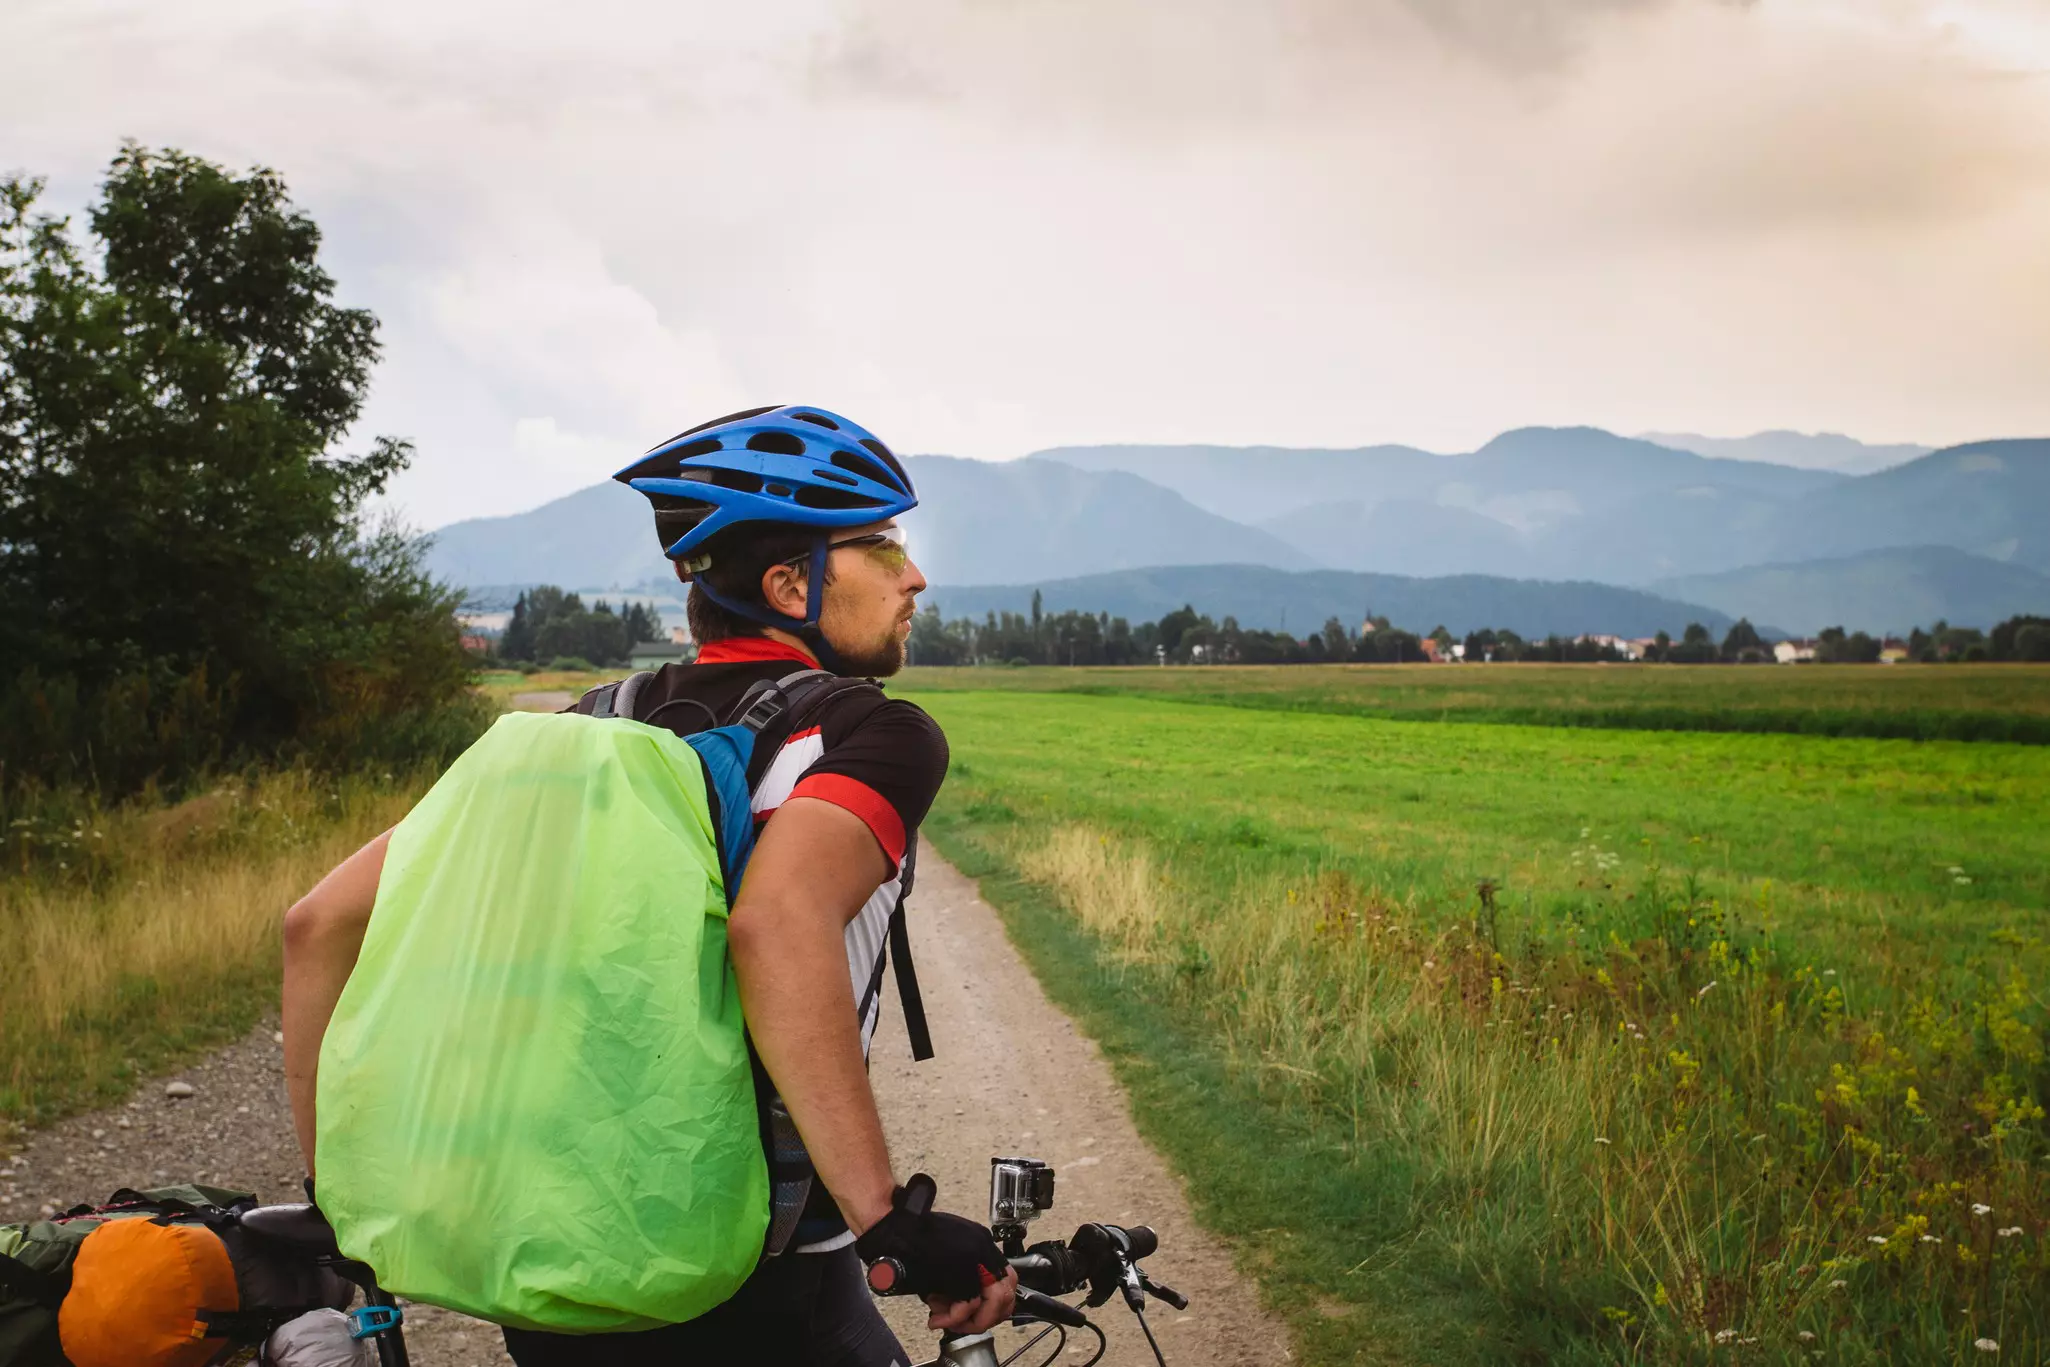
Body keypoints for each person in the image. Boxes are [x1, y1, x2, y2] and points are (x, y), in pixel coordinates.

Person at [281, 406, 1016, 1366]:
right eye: (881, 545)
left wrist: (339, 1192)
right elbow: (777, 920)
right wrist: (885, 1219)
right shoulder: (870, 732)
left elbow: (317, 923)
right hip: (759, 1272)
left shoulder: (584, 727)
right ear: (790, 582)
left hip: (557, 1260)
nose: (913, 575)